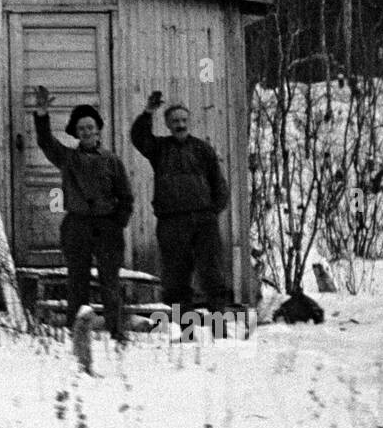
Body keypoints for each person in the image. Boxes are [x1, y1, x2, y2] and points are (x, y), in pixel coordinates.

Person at [32, 86, 134, 339]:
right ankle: (77, 333)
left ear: (98, 130)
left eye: (90, 127)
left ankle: (117, 333)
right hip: (77, 226)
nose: (87, 132)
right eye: (82, 128)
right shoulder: (68, 158)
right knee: (77, 280)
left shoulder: (112, 160)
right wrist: (42, 113)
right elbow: (46, 141)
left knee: (110, 281)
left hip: (108, 227)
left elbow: (126, 196)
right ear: (76, 133)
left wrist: (117, 221)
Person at [130, 91, 233, 315]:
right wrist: (148, 112)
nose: (180, 125)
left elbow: (220, 185)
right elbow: (139, 138)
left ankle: (219, 329)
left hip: (203, 222)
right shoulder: (159, 149)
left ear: (189, 122)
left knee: (213, 276)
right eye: (175, 121)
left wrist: (212, 212)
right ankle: (184, 330)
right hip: (172, 223)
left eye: (184, 120)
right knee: (176, 280)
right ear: (167, 125)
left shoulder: (202, 149)